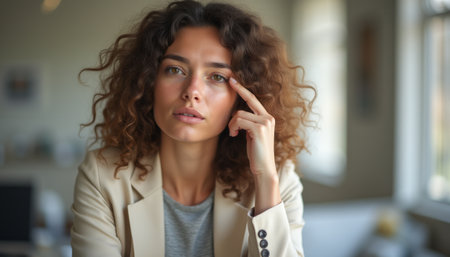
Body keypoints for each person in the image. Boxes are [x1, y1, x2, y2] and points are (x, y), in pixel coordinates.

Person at [71, 1, 315, 256]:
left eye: (217, 77)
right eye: (175, 70)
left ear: (242, 99)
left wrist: (265, 179)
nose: (191, 92)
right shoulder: (103, 175)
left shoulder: (278, 179)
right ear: (148, 82)